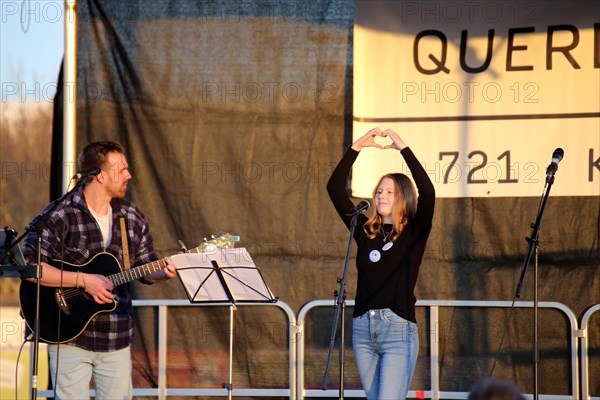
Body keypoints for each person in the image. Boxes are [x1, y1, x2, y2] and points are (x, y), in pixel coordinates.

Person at [22, 140, 177, 399]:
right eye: (122, 169)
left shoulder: (131, 215)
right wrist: (84, 280)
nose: (130, 175)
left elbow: (145, 267)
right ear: (100, 175)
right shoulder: (61, 214)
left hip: (115, 336)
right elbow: (31, 269)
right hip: (67, 335)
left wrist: (166, 270)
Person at [326, 128, 435, 399]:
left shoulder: (414, 232)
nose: (381, 196)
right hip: (363, 329)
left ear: (404, 197)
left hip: (398, 328)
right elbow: (334, 188)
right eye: (379, 191)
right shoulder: (365, 230)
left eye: (390, 192)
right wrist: (356, 147)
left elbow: (429, 192)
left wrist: (403, 147)